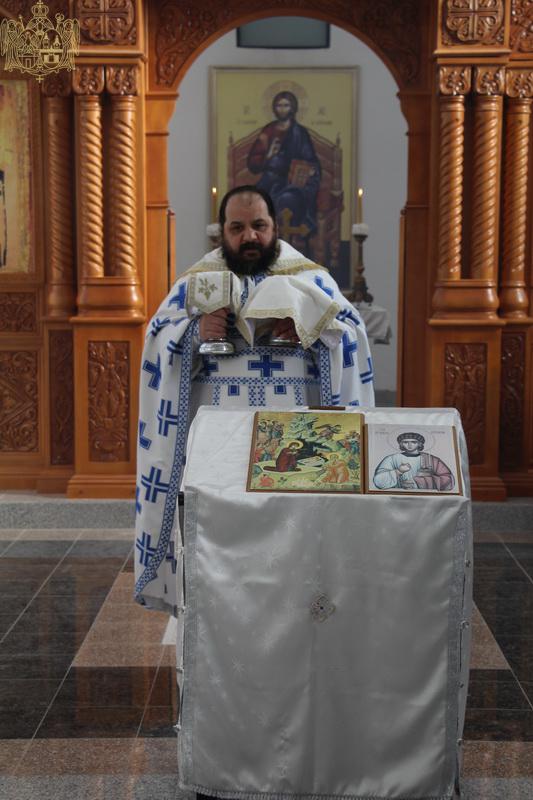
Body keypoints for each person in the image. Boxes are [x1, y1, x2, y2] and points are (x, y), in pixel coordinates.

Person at [134, 185, 374, 612]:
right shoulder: (194, 284)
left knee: (290, 550)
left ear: (275, 227)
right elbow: (156, 343)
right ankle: (215, 620)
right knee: (221, 551)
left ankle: (292, 620)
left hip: (292, 442)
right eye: (237, 227)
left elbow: (352, 334)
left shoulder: (310, 279)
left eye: (259, 226)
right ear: (221, 232)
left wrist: (309, 327)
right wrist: (194, 332)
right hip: (217, 446)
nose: (249, 236)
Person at [247, 91, 321, 239]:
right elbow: (253, 163)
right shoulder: (268, 131)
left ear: (292, 108)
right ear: (274, 108)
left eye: (286, 105)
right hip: (270, 180)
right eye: (279, 105)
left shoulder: (300, 133)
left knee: (288, 198)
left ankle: (287, 240)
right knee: (255, 200)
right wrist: (268, 156)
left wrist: (310, 170)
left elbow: (310, 160)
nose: (282, 109)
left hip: (293, 183)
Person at [373, 432, 455, 491]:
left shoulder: (431, 459)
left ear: (419, 444)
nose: (409, 445)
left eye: (413, 442)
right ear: (401, 444)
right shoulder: (391, 459)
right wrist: (398, 471)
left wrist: (419, 483)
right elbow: (378, 482)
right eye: (405, 442)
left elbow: (449, 480)